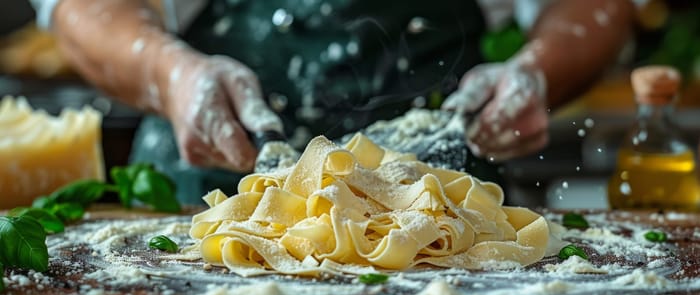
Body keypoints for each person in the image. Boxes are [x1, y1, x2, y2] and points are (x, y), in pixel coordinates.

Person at [33, 0, 635, 203]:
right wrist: (171, 75)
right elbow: (84, 10)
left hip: (444, 214)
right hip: (207, 198)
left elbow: (590, 8)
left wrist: (538, 73)